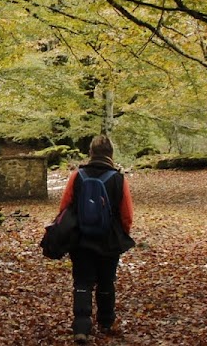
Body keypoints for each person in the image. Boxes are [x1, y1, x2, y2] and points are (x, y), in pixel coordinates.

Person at [57, 135, 135, 343]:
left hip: (81, 238)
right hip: (108, 240)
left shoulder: (77, 175)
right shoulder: (118, 179)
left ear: (91, 153)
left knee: (82, 281)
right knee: (106, 282)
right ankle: (106, 322)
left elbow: (65, 206)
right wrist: (123, 233)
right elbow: (126, 213)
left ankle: (81, 326)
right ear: (111, 154)